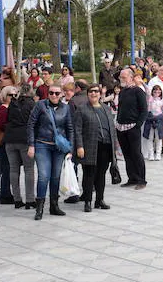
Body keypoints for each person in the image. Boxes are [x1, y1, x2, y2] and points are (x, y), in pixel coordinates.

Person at [27, 84, 74, 220]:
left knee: (56, 176)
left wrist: (70, 148)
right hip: (42, 144)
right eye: (51, 93)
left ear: (62, 95)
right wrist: (31, 144)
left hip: (59, 147)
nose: (54, 95)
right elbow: (31, 124)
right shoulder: (40, 105)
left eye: (57, 93)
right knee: (43, 176)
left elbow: (70, 128)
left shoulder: (65, 108)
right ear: (48, 94)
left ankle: (54, 205)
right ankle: (39, 207)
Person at [74, 84, 116, 212]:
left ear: (100, 93)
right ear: (87, 94)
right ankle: (87, 201)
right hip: (90, 146)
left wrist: (114, 146)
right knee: (89, 174)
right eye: (91, 92)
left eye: (96, 91)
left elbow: (111, 128)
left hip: (106, 146)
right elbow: (77, 130)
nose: (94, 94)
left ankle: (99, 200)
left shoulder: (106, 109)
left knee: (101, 175)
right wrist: (79, 146)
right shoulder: (82, 109)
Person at [4, 84, 36, 210]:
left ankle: (17, 199)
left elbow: (7, 119)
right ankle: (30, 200)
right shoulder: (32, 104)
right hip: (25, 139)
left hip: (10, 138)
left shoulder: (13, 103)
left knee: (13, 169)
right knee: (29, 169)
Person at [115, 69, 148, 190]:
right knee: (127, 154)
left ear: (131, 77)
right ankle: (132, 177)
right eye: (120, 78)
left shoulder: (138, 91)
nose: (121, 79)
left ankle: (141, 179)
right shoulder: (123, 92)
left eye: (124, 77)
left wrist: (138, 125)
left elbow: (144, 110)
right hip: (121, 127)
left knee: (136, 153)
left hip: (133, 126)